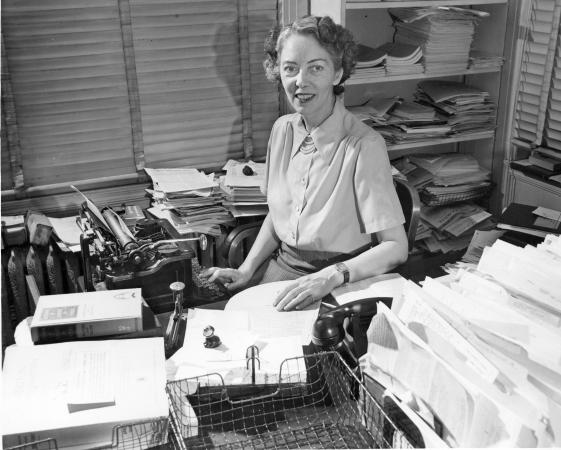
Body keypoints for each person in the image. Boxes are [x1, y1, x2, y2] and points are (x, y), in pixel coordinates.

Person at [201, 15, 408, 311]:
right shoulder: (282, 130)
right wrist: (246, 270)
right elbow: (279, 215)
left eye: (316, 68)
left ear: (337, 73)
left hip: (342, 280)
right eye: (290, 68)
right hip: (284, 270)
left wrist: (332, 275)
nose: (301, 81)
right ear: (278, 73)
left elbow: (396, 248)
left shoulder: (364, 145)